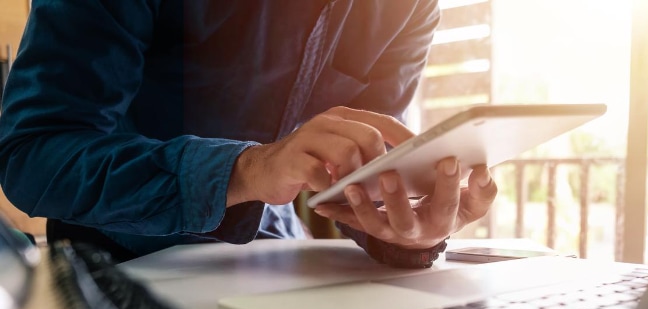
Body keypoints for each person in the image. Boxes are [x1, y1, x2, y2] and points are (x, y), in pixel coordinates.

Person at [0, 0, 497, 268]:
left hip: (282, 262)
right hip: (121, 270)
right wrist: (248, 169)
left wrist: (407, 232)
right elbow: (34, 153)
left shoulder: (409, 9)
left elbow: (363, 180)